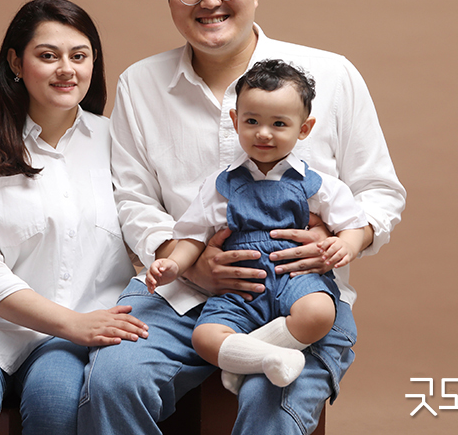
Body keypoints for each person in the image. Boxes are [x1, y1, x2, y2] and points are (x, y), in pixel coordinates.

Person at [77, 0, 406, 435]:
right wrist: (186, 262)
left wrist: (345, 239)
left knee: (271, 401)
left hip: (298, 292)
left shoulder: (332, 75)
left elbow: (379, 191)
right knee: (114, 380)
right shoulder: (140, 84)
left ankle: (261, 352)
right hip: (180, 297)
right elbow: (133, 199)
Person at [0, 0, 147, 435]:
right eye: (48, 56)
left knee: (56, 402)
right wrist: (74, 323)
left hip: (71, 335)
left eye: (79, 56)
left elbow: (148, 225)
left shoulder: (118, 141)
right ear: (16, 62)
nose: (66, 69)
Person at [147, 59, 368, 395]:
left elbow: (353, 224)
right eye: (252, 121)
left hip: (295, 279)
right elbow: (193, 235)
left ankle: (243, 358)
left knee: (320, 313)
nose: (263, 133)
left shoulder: (318, 184)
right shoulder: (220, 185)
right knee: (204, 337)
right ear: (236, 121)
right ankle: (268, 357)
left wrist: (346, 245)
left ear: (304, 129)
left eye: (279, 123)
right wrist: (174, 265)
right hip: (239, 289)